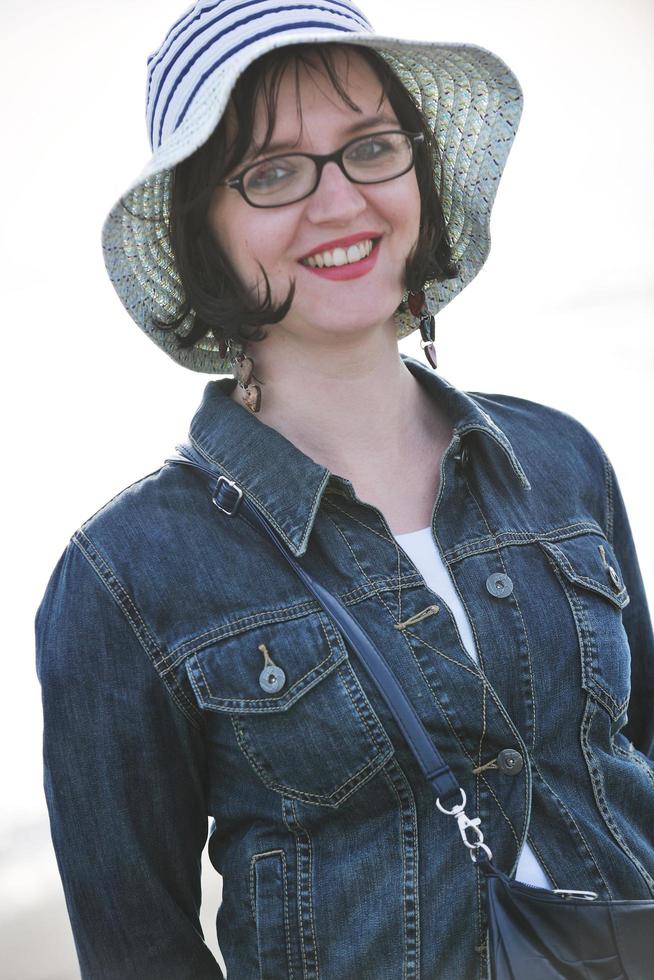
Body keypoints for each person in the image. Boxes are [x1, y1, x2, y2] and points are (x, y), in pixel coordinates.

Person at [35, 1, 654, 978]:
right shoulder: (122, 576)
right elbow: (138, 953)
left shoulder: (561, 459)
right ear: (205, 228)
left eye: (370, 146)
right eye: (273, 171)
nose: (339, 203)